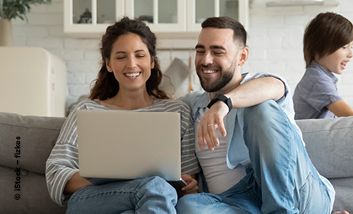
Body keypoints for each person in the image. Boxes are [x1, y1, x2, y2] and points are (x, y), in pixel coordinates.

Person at [176, 16, 336, 213]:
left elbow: (275, 86)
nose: (206, 60)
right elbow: (156, 110)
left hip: (298, 192)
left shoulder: (262, 84)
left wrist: (223, 102)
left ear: (242, 57)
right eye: (201, 51)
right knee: (188, 206)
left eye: (217, 51)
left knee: (260, 108)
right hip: (238, 201)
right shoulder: (191, 105)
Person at [45, 17, 200, 214]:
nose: (131, 64)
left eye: (139, 55)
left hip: (154, 202)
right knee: (156, 187)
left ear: (152, 61)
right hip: (93, 201)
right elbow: (55, 173)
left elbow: (187, 177)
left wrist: (190, 185)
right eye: (121, 57)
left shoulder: (177, 112)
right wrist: (112, 177)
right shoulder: (85, 111)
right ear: (108, 64)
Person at [293, 12, 353, 120]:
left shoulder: (320, 76)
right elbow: (349, 116)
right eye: (344, 47)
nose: (350, 54)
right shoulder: (317, 80)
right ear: (318, 48)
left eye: (351, 46)